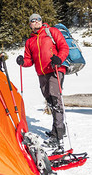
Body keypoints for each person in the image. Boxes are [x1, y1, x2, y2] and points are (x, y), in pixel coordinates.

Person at [16, 13, 70, 149]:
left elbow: (64, 47)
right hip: (42, 74)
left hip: (55, 70)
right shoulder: (30, 41)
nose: (36, 22)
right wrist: (23, 61)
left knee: (55, 100)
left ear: (41, 21)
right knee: (51, 102)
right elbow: (29, 60)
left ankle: (58, 136)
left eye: (38, 19)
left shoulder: (52, 32)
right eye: (33, 20)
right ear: (30, 24)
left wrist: (59, 59)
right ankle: (58, 129)